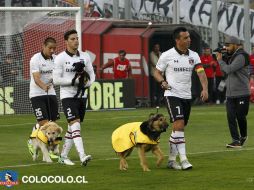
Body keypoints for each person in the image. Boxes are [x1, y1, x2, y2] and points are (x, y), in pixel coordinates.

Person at [153, 27, 208, 170]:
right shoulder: (167, 55)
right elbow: (157, 72)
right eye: (185, 38)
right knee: (179, 125)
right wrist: (162, 82)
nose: (189, 40)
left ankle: (171, 160)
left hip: (186, 96)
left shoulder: (194, 55)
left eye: (189, 37)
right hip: (172, 94)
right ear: (177, 40)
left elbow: (201, 73)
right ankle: (184, 160)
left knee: (178, 129)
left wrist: (205, 88)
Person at [53, 29, 95, 166]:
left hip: (82, 95)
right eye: (72, 39)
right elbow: (56, 80)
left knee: (73, 127)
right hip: (67, 96)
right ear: (66, 41)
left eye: (77, 38)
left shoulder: (85, 56)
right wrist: (74, 82)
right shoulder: (60, 58)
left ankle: (63, 155)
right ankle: (82, 156)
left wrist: (86, 84)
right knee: (75, 123)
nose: (76, 41)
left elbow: (92, 75)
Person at [27, 37, 60, 159]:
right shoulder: (35, 59)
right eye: (50, 48)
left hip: (50, 92)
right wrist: (44, 86)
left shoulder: (56, 59)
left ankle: (51, 149)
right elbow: (36, 78)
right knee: (44, 124)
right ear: (43, 46)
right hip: (37, 93)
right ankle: (32, 140)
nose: (52, 50)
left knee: (53, 125)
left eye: (54, 48)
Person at [216, 36, 250, 148]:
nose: (226, 47)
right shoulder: (232, 56)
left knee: (240, 116)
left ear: (235, 45)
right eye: (225, 45)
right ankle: (235, 140)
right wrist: (223, 59)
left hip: (242, 92)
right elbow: (224, 70)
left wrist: (220, 60)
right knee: (230, 117)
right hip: (230, 93)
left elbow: (228, 69)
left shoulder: (241, 56)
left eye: (228, 45)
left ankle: (243, 136)